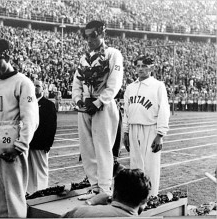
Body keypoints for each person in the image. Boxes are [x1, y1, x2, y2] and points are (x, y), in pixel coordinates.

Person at [0, 38, 39, 218]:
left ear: (6, 57)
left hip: (11, 140)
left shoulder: (23, 83)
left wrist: (20, 146)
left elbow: (30, 118)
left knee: (13, 192)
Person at [72, 20, 124, 201]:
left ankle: (105, 189)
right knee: (87, 148)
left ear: (102, 33)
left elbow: (114, 83)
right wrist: (78, 100)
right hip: (85, 106)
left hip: (104, 106)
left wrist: (100, 101)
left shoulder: (113, 54)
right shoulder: (84, 58)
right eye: (86, 37)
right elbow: (76, 83)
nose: (89, 40)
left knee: (103, 148)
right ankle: (94, 187)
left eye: (93, 36)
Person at [123, 55, 170, 196]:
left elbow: (164, 110)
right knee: (135, 165)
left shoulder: (158, 85)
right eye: (138, 66)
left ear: (151, 68)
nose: (140, 69)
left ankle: (152, 196)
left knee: (150, 166)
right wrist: (125, 132)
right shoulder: (130, 87)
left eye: (144, 66)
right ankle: (137, 197)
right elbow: (126, 111)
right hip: (133, 129)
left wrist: (160, 134)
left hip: (151, 128)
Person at [62, 169, 151, 218]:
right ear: (144, 201)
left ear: (114, 193)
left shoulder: (82, 212)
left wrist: (90, 202)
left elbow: (65, 217)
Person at [27, 80, 57, 195]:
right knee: (29, 171)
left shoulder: (48, 105)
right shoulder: (27, 103)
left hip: (41, 145)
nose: (35, 88)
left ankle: (42, 192)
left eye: (38, 86)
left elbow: (51, 127)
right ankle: (30, 194)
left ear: (43, 89)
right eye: (33, 86)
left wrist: (48, 145)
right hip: (28, 144)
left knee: (40, 171)